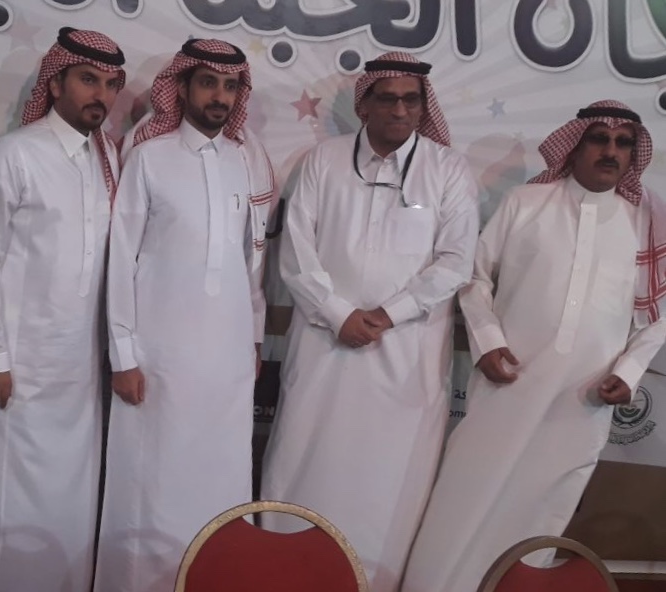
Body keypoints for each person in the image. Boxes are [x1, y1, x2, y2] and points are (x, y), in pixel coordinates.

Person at [401, 100, 666, 592]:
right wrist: (487, 342)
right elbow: (474, 278)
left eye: (623, 143)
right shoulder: (526, 202)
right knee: (466, 495)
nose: (610, 152)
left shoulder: (646, 222)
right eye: (599, 139)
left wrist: (629, 371)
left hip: (582, 402)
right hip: (508, 382)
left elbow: (659, 312)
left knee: (542, 512)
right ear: (575, 145)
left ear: (635, 154)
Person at [259, 52, 479, 592]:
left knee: (388, 481)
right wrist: (339, 315)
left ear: (423, 106)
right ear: (365, 105)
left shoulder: (448, 170)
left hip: (405, 357)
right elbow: (296, 254)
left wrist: (385, 314)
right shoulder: (323, 161)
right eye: (388, 99)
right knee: (306, 460)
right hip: (324, 346)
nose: (400, 110)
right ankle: (284, 574)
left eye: (411, 100)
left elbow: (456, 262)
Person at [0, 27, 126, 592]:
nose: (100, 95)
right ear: (55, 84)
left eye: (110, 85)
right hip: (16, 367)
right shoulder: (15, 154)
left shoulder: (108, 159)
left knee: (66, 499)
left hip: (77, 373)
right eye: (88, 80)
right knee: (2, 497)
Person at [93, 38, 275, 592]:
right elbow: (120, 260)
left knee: (218, 479)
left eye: (230, 87)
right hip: (158, 359)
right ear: (184, 87)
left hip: (227, 361)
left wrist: (253, 342)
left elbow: (252, 263)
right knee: (151, 483)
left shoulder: (247, 162)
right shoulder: (150, 157)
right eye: (208, 83)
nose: (219, 96)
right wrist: (123, 354)